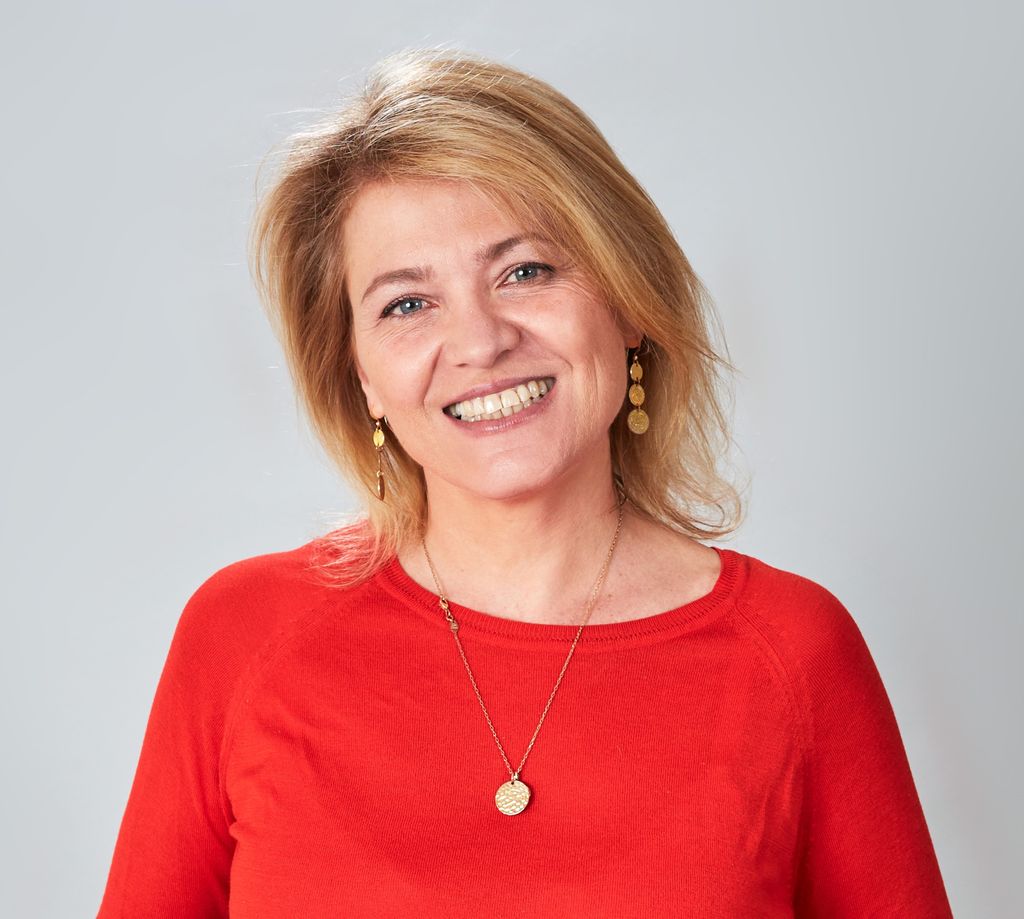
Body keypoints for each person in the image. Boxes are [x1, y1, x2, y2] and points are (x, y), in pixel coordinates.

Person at [96, 48, 954, 917]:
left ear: (626, 302)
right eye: (406, 303)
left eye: (526, 272)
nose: (480, 342)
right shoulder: (243, 639)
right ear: (360, 376)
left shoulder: (792, 655)